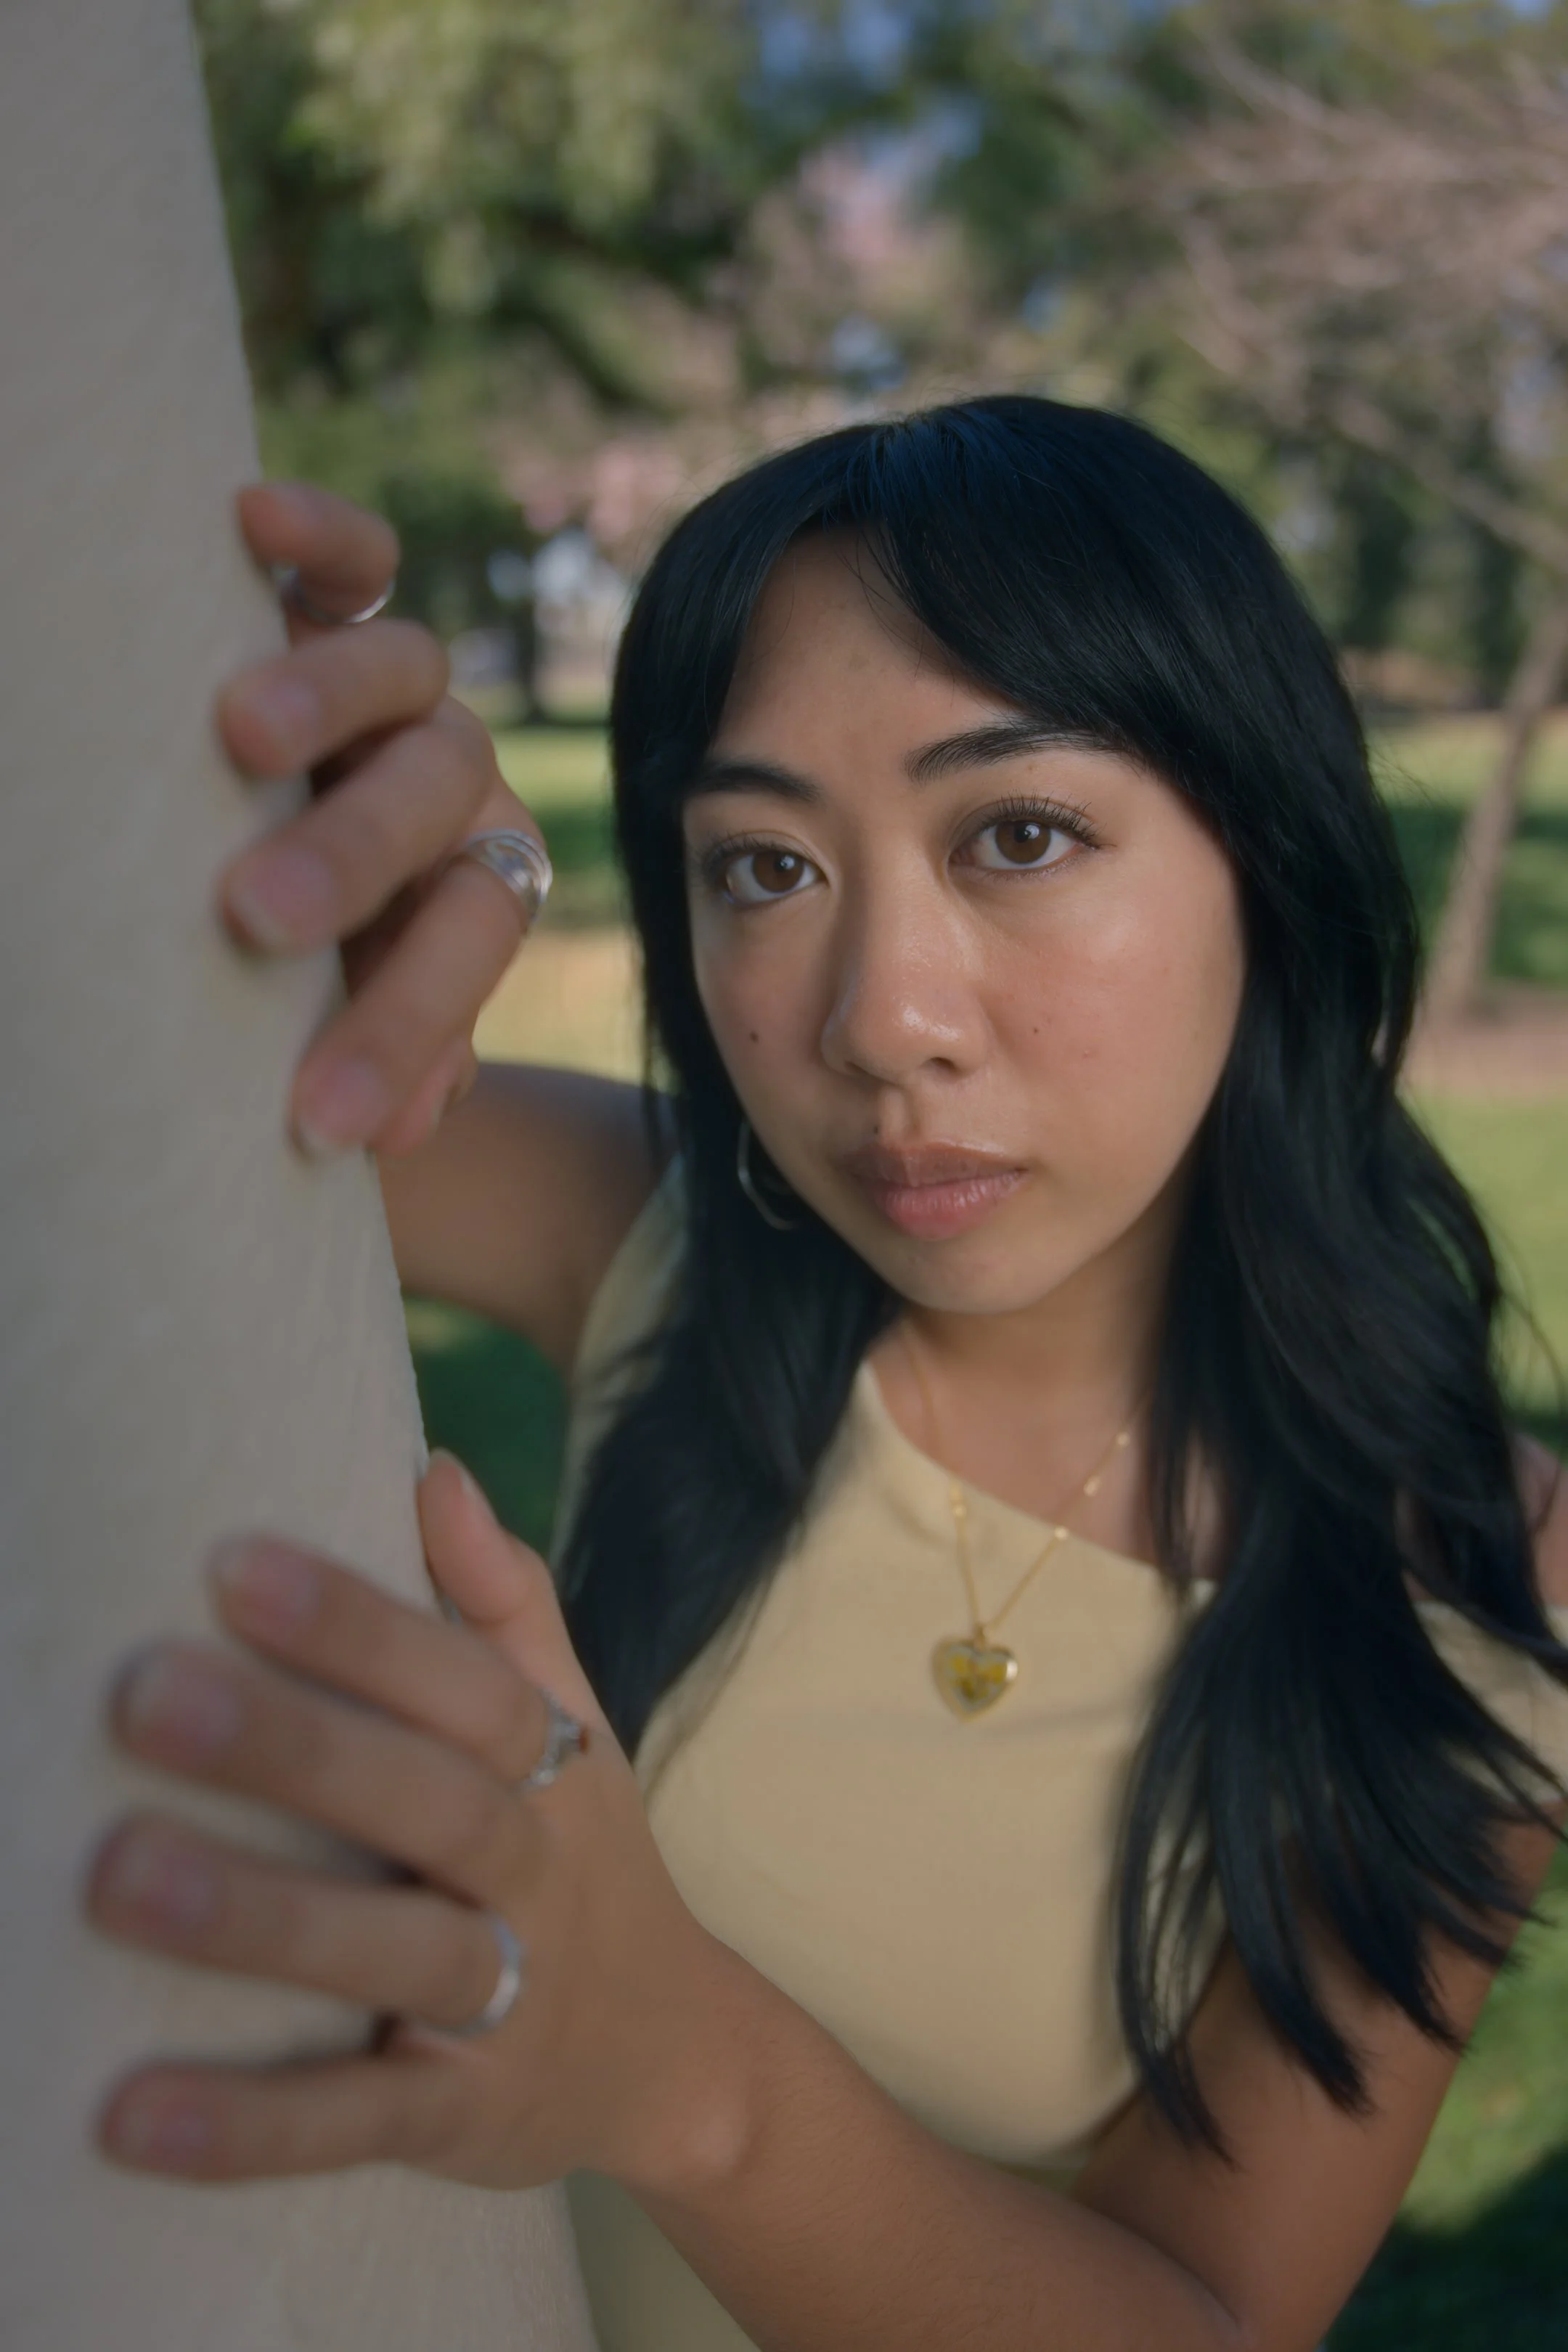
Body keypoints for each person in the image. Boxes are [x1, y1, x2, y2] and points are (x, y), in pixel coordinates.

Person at [88, 401, 1568, 2352]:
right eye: (764, 868)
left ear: (1266, 858)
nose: (884, 1022)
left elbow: (1203, 2322)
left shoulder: (1482, 1579)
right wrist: (239, 881)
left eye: (1021, 834)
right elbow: (118, 1119)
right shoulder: (652, 1236)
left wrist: (683, 2074)